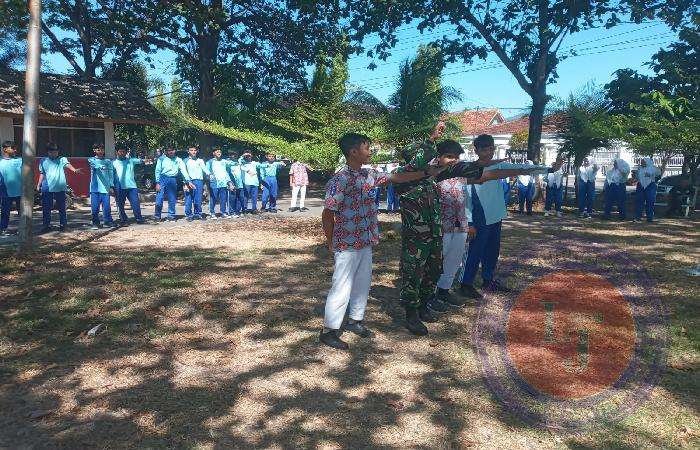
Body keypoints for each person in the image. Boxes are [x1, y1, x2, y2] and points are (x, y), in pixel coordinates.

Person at [393, 126, 541, 336]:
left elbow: (484, 173)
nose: (451, 161)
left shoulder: (437, 174)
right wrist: (431, 140)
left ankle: (424, 305)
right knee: (413, 274)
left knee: (433, 271)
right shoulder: (402, 177)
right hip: (416, 237)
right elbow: (418, 163)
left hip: (436, 232)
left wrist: (523, 170)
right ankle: (411, 313)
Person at [320, 132, 447, 350]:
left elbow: (397, 177)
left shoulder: (369, 175)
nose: (370, 152)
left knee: (362, 284)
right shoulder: (339, 180)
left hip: (365, 241)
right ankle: (329, 331)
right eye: (366, 148)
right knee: (341, 286)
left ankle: (355, 321)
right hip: (347, 244)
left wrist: (425, 172)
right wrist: (331, 241)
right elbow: (327, 213)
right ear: (353, 152)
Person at [458, 134, 562, 301]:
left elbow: (523, 168)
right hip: (480, 217)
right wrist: (469, 222)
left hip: (496, 215)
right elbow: (467, 198)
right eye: (484, 149)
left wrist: (549, 169)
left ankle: (488, 280)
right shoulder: (470, 169)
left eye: (491, 148)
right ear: (476, 151)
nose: (488, 152)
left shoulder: (500, 166)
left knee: (492, 250)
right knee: (475, 250)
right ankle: (466, 284)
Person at [434, 141, 474, 308]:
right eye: (449, 156)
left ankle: (444, 291)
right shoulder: (433, 175)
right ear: (439, 157)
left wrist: (470, 222)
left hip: (460, 224)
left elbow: (467, 200)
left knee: (454, 260)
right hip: (441, 225)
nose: (453, 160)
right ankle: (429, 295)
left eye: (456, 157)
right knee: (437, 260)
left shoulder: (462, 175)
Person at [37, 143, 83, 233]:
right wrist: (38, 185)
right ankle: (46, 226)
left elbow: (67, 165)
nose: (54, 153)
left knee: (62, 208)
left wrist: (74, 170)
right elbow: (42, 173)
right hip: (47, 187)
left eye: (56, 151)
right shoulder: (43, 160)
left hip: (60, 187)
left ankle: (63, 225)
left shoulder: (62, 159)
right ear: (48, 152)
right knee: (46, 208)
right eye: (52, 151)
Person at [154, 146, 191, 221]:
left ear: (175, 151)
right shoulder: (161, 159)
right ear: (166, 151)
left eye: (172, 150)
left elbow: (183, 170)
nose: (171, 152)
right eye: (169, 150)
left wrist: (188, 181)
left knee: (172, 198)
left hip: (172, 179)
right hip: (162, 178)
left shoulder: (178, 160)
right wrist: (157, 182)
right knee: (159, 198)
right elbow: (157, 171)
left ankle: (171, 215)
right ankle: (157, 216)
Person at [113, 144, 146, 225]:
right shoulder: (113, 163)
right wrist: (112, 187)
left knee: (135, 203)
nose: (122, 153)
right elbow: (111, 176)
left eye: (124, 152)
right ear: (116, 152)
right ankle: (123, 219)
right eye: (120, 151)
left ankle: (139, 218)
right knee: (120, 205)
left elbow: (142, 161)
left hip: (132, 186)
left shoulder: (131, 161)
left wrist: (145, 159)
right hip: (120, 187)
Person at [88, 143, 116, 229]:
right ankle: (95, 223)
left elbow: (111, 174)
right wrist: (101, 166)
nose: (100, 151)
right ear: (94, 150)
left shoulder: (108, 161)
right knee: (95, 208)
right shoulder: (91, 160)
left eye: (102, 149)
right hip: (95, 188)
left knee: (107, 207)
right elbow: (95, 166)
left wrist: (111, 186)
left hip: (105, 188)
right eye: (98, 149)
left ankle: (108, 221)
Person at [0, 141, 21, 236]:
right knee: (5, 212)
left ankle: (23, 229)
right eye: (12, 148)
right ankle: (3, 229)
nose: (15, 150)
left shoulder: (20, 160)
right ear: (5, 149)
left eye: (15, 148)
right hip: (5, 192)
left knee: (22, 212)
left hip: (20, 192)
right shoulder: (0, 162)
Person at [183, 146, 209, 221]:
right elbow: (183, 172)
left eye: (195, 150)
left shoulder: (200, 160)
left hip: (199, 181)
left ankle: (198, 214)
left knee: (198, 198)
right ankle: (189, 215)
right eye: (191, 150)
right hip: (189, 181)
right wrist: (185, 183)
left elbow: (205, 169)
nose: (193, 152)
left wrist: (209, 174)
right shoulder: (185, 160)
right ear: (188, 151)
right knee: (188, 198)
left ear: (197, 151)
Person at [206, 147, 234, 218]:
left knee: (223, 199)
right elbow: (206, 171)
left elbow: (228, 169)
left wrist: (229, 182)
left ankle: (223, 212)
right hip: (214, 183)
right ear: (213, 153)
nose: (219, 153)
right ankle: (212, 212)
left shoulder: (224, 161)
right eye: (217, 152)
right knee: (213, 198)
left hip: (223, 183)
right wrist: (209, 177)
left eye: (220, 152)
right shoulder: (210, 162)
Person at [634, 157, 661, 223]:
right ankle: (638, 217)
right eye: (641, 162)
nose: (642, 163)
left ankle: (650, 218)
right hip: (640, 186)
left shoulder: (653, 168)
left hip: (650, 185)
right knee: (639, 201)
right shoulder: (640, 168)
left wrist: (650, 175)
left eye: (643, 162)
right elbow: (637, 177)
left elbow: (658, 175)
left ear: (647, 162)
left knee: (650, 202)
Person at [227, 152, 245, 217]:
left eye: (235, 155)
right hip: (232, 183)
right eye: (232, 155)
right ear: (230, 156)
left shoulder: (239, 162)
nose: (234, 156)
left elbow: (241, 158)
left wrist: (244, 155)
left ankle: (237, 211)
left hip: (240, 183)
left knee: (240, 198)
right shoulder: (228, 163)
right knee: (232, 198)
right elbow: (227, 174)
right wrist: (229, 183)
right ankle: (231, 212)